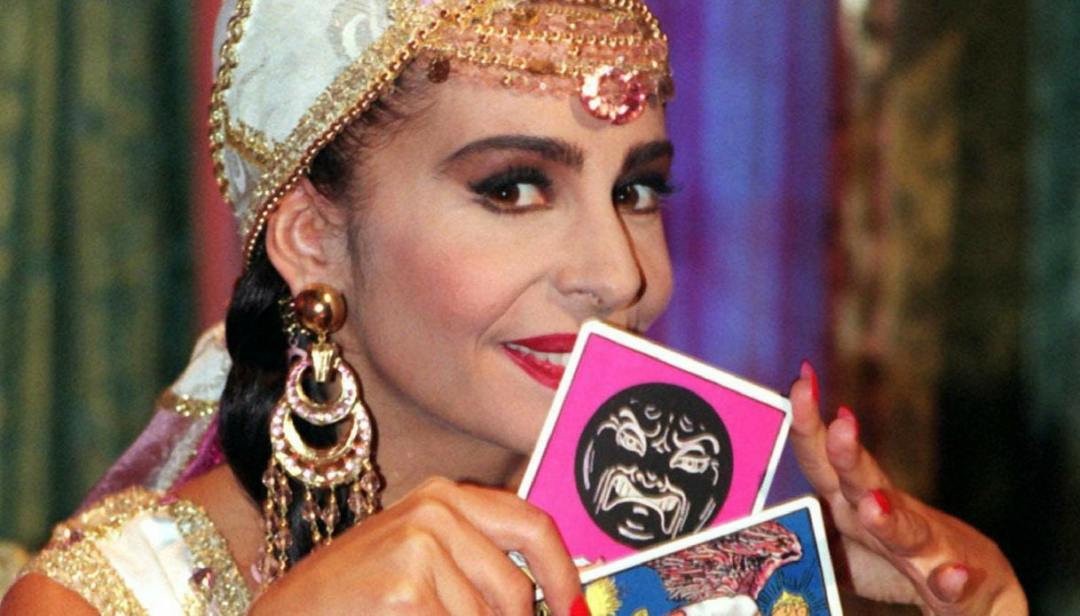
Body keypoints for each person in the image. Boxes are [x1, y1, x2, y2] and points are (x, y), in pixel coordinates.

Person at [0, 0, 1027, 614]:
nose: (619, 276)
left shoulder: (686, 566)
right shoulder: (112, 600)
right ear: (312, 236)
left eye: (638, 191)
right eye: (514, 187)